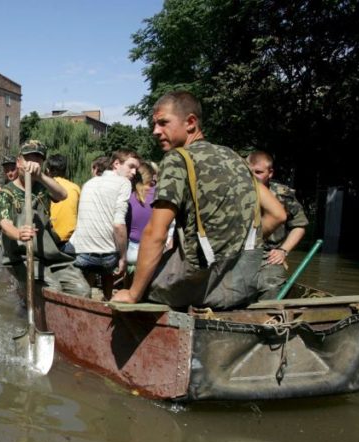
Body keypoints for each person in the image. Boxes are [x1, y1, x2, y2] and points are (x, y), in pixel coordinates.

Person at [111, 91, 286, 310]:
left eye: (163, 123)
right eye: (154, 124)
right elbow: (278, 214)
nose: (156, 131)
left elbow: (156, 233)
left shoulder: (177, 158)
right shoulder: (235, 159)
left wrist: (134, 294)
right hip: (238, 286)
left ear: (191, 122)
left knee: (136, 283)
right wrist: (234, 244)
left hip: (195, 286)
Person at [0, 140, 90, 297]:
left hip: (50, 255)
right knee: (52, 289)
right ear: (19, 162)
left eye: (37, 159)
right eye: (28, 159)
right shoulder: (6, 192)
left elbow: (62, 194)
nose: (32, 164)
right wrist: (18, 234)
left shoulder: (43, 187)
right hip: (22, 256)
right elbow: (5, 224)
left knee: (82, 289)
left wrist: (41, 176)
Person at [68, 150, 141, 300]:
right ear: (116, 164)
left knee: (87, 268)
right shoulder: (124, 183)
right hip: (107, 260)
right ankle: (107, 301)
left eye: (136, 169)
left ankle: (85, 301)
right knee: (108, 266)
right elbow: (118, 224)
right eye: (131, 166)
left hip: (81, 255)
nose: (134, 172)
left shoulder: (88, 183)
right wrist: (123, 258)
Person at [248, 150, 309, 299]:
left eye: (258, 172)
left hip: (267, 255)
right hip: (237, 253)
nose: (252, 176)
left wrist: (283, 250)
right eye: (248, 171)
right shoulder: (234, 192)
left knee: (270, 285)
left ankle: (268, 319)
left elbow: (299, 225)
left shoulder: (283, 194)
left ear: (270, 173)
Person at [126, 160, 158, 266]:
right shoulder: (159, 196)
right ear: (152, 176)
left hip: (132, 250)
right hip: (152, 249)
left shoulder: (129, 197)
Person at [45, 154, 81, 249]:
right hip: (71, 240)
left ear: (48, 171)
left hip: (50, 240)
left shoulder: (45, 188)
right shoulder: (75, 188)